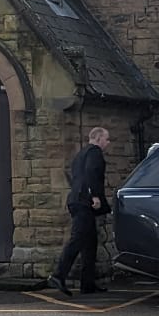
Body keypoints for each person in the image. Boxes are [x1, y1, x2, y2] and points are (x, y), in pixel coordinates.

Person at [51, 126, 109, 296]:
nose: (108, 142)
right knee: (77, 239)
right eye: (106, 139)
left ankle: (88, 283)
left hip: (77, 201)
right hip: (84, 202)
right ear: (98, 139)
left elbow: (75, 177)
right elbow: (91, 174)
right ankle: (58, 275)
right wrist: (95, 196)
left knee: (90, 243)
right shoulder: (95, 152)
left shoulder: (80, 155)